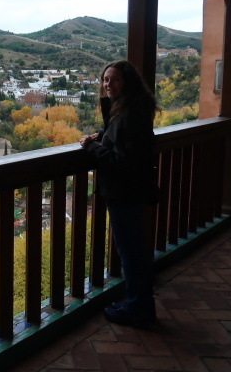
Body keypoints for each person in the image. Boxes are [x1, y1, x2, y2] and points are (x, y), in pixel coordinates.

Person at [80, 60, 159, 328]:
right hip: (135, 189)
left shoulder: (128, 114)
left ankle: (138, 308)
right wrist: (102, 134)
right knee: (135, 249)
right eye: (105, 80)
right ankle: (140, 303)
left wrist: (91, 147)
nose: (107, 84)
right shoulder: (132, 109)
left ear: (127, 83)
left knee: (130, 252)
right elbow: (121, 137)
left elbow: (119, 160)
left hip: (125, 191)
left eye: (114, 80)